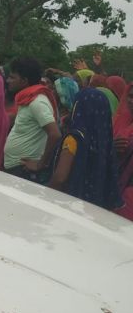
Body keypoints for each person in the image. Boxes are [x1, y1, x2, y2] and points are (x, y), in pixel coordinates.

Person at [49, 89, 122, 210]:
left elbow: (60, 178)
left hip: (68, 204)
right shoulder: (105, 141)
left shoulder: (74, 138)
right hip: (94, 207)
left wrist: (45, 196)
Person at [4, 57, 61, 182]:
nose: (8, 80)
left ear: (24, 81)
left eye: (12, 77)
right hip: (16, 169)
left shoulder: (37, 101)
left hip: (24, 171)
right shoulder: (27, 98)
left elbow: (55, 134)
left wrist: (40, 164)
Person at [113, 83, 133, 220]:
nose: (132, 101)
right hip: (115, 187)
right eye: (131, 96)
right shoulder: (121, 121)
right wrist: (111, 148)